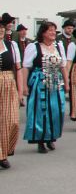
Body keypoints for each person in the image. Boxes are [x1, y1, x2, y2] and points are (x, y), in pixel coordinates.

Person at [23, 22, 68, 154]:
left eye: (54, 30)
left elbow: (63, 66)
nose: (53, 33)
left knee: (56, 110)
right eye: (50, 30)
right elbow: (26, 67)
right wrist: (24, 85)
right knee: (41, 111)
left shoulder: (59, 46)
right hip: (40, 83)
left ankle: (51, 136)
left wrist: (67, 83)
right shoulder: (34, 47)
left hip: (56, 83)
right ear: (43, 33)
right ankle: (41, 140)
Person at [0, 34, 24, 169]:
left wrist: (20, 92)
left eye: (2, 27)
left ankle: (4, 151)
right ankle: (1, 156)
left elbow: (18, 69)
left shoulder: (11, 46)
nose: (1, 30)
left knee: (11, 120)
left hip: (8, 84)